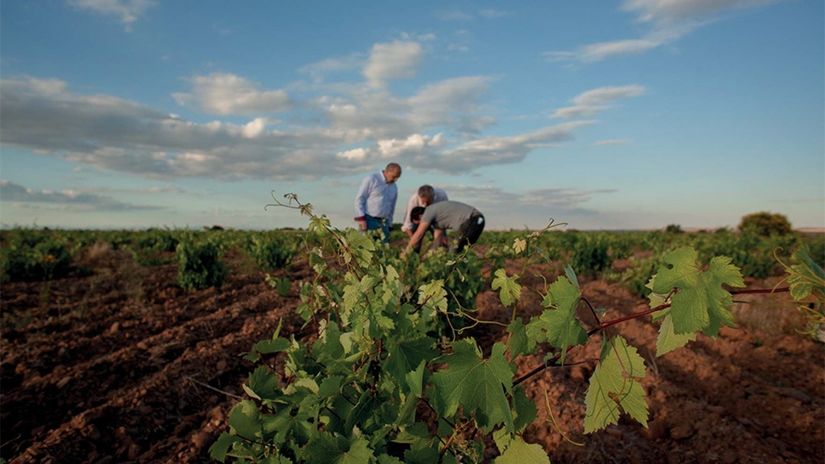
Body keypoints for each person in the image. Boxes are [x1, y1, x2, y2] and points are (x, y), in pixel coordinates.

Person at [404, 200, 485, 255]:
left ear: (420, 216)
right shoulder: (437, 221)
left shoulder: (428, 212)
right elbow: (437, 241)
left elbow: (419, 234)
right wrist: (427, 255)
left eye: (419, 223)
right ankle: (464, 272)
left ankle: (452, 273)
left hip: (473, 220)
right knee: (461, 252)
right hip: (478, 221)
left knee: (453, 251)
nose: (421, 224)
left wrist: (406, 252)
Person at [353, 162, 401, 242]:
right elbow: (360, 199)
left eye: (397, 178)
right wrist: (361, 219)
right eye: (394, 177)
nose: (395, 180)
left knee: (384, 247)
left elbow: (392, 206)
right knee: (367, 246)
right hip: (369, 220)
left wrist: (390, 224)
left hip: (384, 223)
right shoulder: (372, 179)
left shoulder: (394, 187)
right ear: (387, 171)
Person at [402, 185, 448, 253]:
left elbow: (445, 216)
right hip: (420, 220)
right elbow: (407, 224)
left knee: (442, 242)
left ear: (433, 197)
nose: (425, 204)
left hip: (436, 219)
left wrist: (441, 235)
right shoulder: (414, 200)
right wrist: (414, 240)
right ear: (420, 197)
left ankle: (442, 255)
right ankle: (414, 256)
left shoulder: (441, 196)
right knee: (415, 243)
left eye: (428, 202)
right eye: (423, 202)